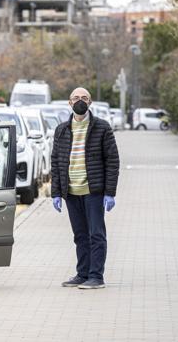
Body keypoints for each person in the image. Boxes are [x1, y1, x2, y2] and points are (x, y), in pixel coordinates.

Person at [51, 87, 120, 289]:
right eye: (76, 98)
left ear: (90, 103)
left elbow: (112, 161)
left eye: (84, 98)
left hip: (94, 191)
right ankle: (82, 274)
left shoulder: (102, 128)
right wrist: (56, 193)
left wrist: (110, 192)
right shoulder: (62, 130)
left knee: (96, 234)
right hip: (71, 192)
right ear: (69, 103)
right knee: (80, 235)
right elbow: (56, 162)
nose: (80, 101)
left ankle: (96, 276)